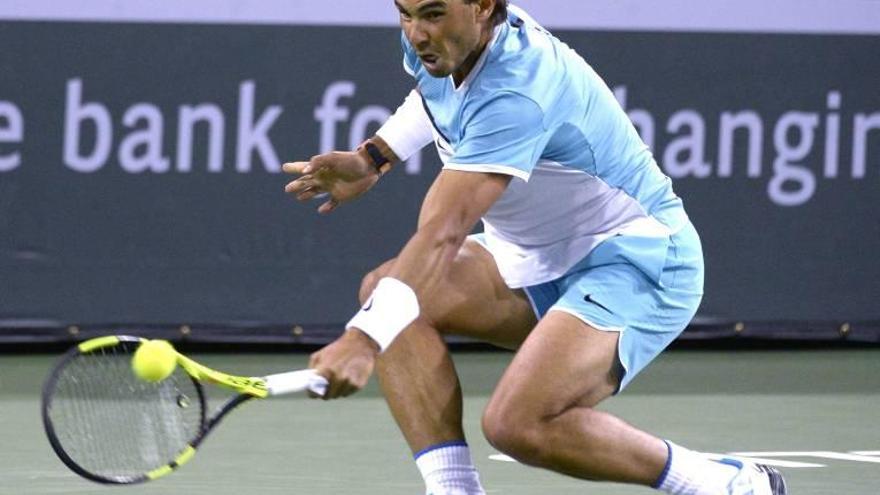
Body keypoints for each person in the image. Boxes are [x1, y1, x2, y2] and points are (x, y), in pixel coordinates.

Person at [283, 1, 787, 494]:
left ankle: (725, 483)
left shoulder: (518, 89)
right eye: (405, 13)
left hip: (638, 260)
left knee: (517, 423)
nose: (416, 33)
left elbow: (443, 231)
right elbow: (433, 98)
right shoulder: (444, 41)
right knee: (388, 295)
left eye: (432, 13)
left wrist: (365, 340)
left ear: (482, 6)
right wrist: (374, 156)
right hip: (532, 263)